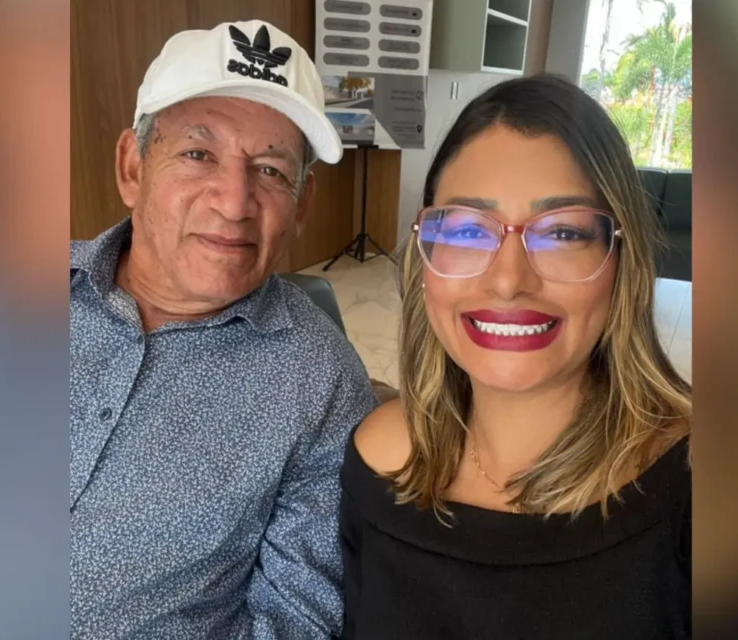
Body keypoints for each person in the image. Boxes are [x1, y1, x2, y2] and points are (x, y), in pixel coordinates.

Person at [341, 75, 692, 639]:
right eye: (466, 230)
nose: (508, 281)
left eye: (563, 234)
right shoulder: (377, 459)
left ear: (621, 261)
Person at [70, 20, 377, 639]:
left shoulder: (319, 383)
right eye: (198, 154)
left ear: (302, 204)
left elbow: (298, 617)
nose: (234, 203)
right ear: (132, 168)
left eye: (270, 170)